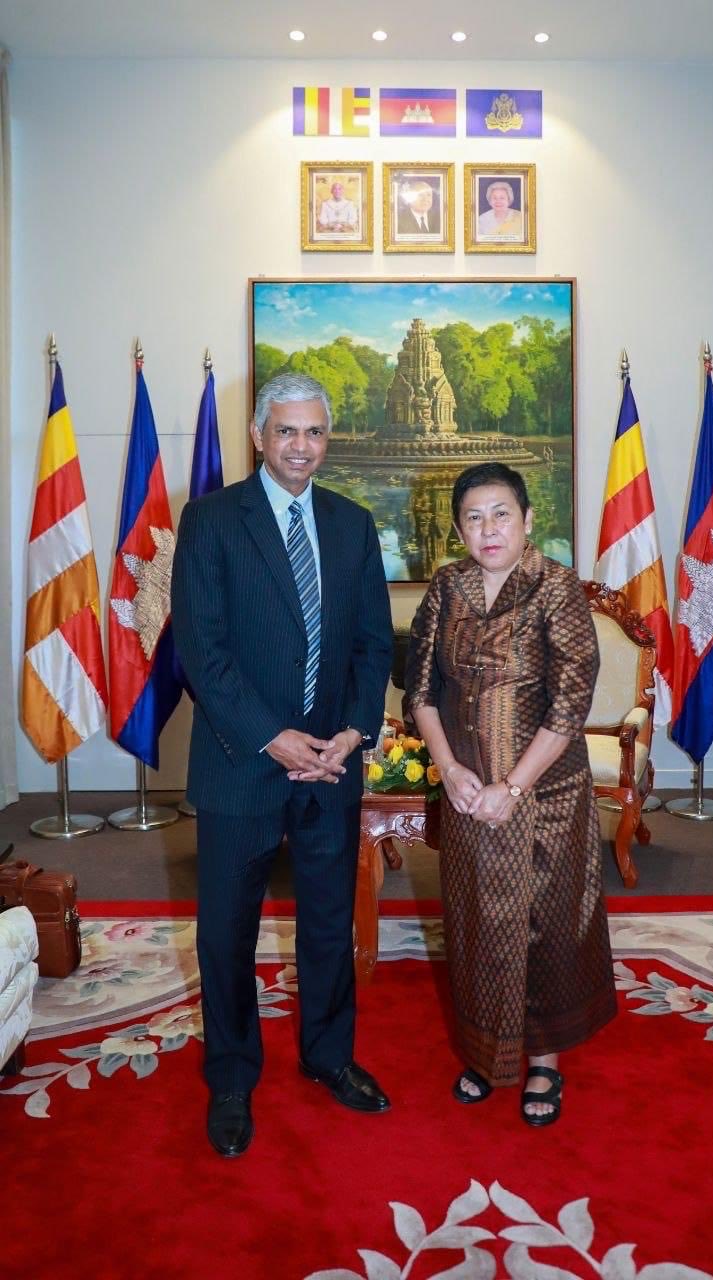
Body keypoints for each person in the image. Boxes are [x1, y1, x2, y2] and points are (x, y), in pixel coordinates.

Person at [172, 372, 393, 1158]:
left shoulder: (352, 524)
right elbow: (202, 651)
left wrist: (354, 731)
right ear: (259, 436)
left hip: (331, 763)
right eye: (287, 431)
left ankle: (329, 1056)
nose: (302, 446)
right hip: (242, 762)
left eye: (315, 432)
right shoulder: (210, 520)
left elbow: (372, 643)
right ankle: (232, 1076)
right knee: (226, 932)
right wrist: (272, 737)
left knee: (330, 923)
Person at [405, 462, 616, 1127]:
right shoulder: (447, 586)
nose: (488, 528)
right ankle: (485, 1050)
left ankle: (545, 1059)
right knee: (476, 923)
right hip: (469, 792)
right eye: (473, 517)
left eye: (501, 514)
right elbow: (420, 692)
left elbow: (570, 702)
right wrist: (449, 771)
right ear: (458, 528)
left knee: (547, 925)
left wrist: (514, 786)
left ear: (527, 520)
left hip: (544, 791)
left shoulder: (556, 586)